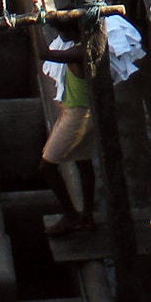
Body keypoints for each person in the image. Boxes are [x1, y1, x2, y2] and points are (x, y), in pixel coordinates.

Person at [38, 25, 96, 234]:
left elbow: (44, 54)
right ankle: (87, 216)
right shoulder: (84, 45)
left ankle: (71, 216)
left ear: (72, 32)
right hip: (82, 111)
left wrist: (34, 25)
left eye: (62, 31)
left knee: (46, 167)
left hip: (79, 115)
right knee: (83, 162)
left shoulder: (79, 52)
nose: (60, 35)